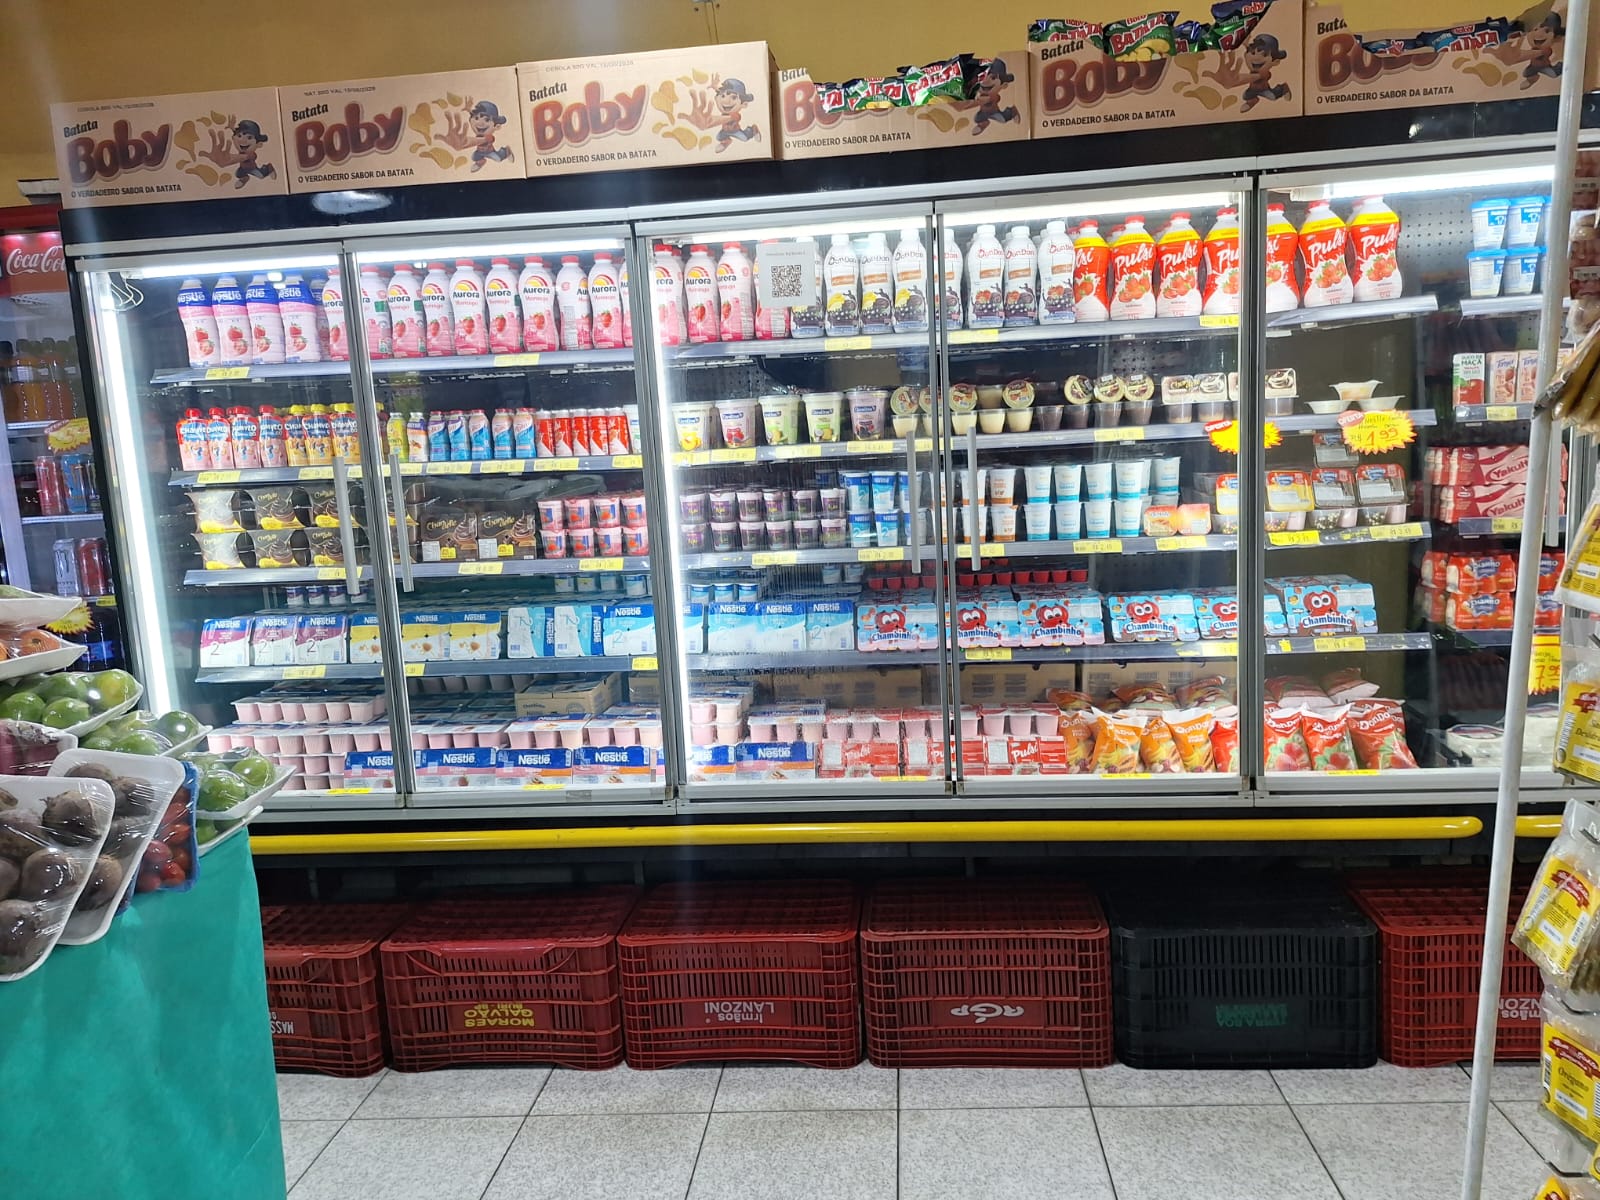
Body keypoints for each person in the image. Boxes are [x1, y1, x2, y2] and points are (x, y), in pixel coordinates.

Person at [1240, 33, 1292, 112]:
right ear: (1245, 55)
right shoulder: (1253, 68)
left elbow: (1257, 77)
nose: (1256, 58)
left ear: (1275, 62)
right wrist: (1245, 44)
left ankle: (1283, 88)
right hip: (1252, 89)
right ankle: (1253, 101)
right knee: (1245, 96)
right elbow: (1249, 49)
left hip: (1264, 90)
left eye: (1264, 55)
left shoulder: (1262, 74)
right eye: (1253, 53)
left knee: (1272, 97)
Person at [713, 79, 760, 152]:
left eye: (734, 97)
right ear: (716, 98)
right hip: (724, 131)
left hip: (735, 131)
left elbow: (729, 118)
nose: (726, 101)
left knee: (744, 138)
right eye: (723, 96)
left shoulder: (735, 115)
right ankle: (727, 141)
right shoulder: (723, 113)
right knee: (718, 137)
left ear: (744, 104)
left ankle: (752, 129)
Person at [467, 100, 514, 171]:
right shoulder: (478, 133)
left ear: (496, 126)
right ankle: (481, 162)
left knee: (498, 159)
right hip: (479, 152)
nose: (480, 123)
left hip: (489, 152)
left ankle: (506, 151)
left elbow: (480, 141)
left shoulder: (489, 137)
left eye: (486, 120)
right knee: (474, 157)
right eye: (476, 118)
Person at [1521, 11, 1564, 89]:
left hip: (1544, 67)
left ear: (1556, 36)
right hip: (1533, 66)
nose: (1539, 34)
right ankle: (1532, 79)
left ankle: (1560, 66)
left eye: (1547, 31)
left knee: (1553, 74)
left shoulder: (1546, 50)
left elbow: (1540, 54)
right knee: (1525, 73)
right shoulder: (1533, 48)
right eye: (1535, 29)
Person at [230, 120, 277, 189]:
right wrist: (232, 128)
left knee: (261, 176)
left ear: (258, 144)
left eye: (249, 137)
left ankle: (268, 168)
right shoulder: (241, 150)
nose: (243, 140)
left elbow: (244, 157)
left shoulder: (250, 154)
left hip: (252, 169)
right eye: (239, 136)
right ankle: (244, 178)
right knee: (237, 174)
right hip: (242, 168)